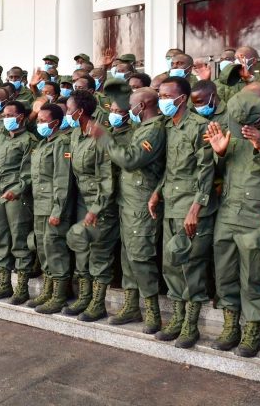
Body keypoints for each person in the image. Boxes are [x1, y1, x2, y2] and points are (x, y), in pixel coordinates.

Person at [205, 85, 260, 358]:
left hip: (258, 214)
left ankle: (252, 332)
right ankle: (231, 326)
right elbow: (217, 170)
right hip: (229, 212)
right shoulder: (233, 124)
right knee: (225, 273)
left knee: (254, 277)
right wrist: (219, 153)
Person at [90, 84, 166, 334]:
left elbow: (131, 160)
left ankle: (152, 312)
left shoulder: (154, 129)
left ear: (141, 106)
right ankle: (132, 305)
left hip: (141, 202)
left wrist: (105, 138)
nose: (128, 109)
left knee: (141, 257)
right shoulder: (142, 127)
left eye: (131, 104)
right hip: (129, 200)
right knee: (128, 256)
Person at [148, 76, 216, 348]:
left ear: (183, 98)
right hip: (171, 204)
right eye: (160, 95)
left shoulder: (200, 127)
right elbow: (171, 168)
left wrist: (196, 209)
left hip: (191, 208)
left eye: (167, 96)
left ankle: (191, 325)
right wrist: (157, 192)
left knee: (192, 266)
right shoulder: (169, 127)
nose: (162, 100)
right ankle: (176, 319)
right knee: (171, 263)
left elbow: (207, 170)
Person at [63, 89, 119, 322]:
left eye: (69, 109)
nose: (67, 113)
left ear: (81, 111)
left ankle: (98, 303)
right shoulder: (77, 134)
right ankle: (84, 297)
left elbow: (107, 178)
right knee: (82, 251)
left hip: (101, 204)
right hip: (81, 201)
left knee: (99, 253)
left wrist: (96, 209)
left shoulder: (101, 135)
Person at [0, 101, 37, 304]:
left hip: (16, 197)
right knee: (2, 240)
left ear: (20, 117)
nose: (5, 119)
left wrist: (17, 190)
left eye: (9, 115)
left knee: (20, 240)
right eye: (3, 116)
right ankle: (4, 285)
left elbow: (30, 172)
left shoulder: (29, 140)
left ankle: (21, 289)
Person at [28, 103, 75, 314]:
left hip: (54, 206)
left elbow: (62, 180)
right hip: (39, 205)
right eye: (38, 120)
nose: (39, 124)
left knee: (56, 249)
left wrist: (58, 210)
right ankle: (48, 290)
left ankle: (59, 295)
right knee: (43, 248)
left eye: (43, 120)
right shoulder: (43, 144)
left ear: (55, 122)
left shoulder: (62, 143)